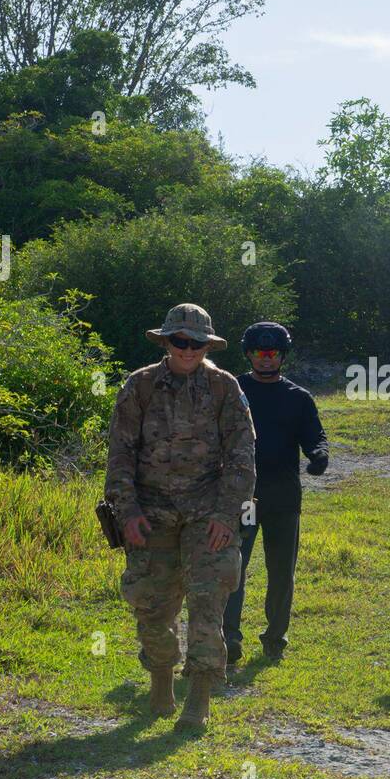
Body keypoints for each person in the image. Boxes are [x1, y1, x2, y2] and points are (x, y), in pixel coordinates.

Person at [104, 303, 255, 731]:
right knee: (151, 604)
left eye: (197, 343)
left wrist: (228, 514)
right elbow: (119, 456)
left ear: (209, 345)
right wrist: (127, 512)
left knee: (208, 601)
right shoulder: (140, 386)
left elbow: (243, 456)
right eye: (180, 342)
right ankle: (160, 681)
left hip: (208, 512)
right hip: (151, 514)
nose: (188, 350)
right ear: (166, 342)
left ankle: (199, 699)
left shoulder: (224, 388)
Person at [222, 321, 328, 665]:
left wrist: (318, 455)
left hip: (283, 497)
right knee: (234, 565)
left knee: (281, 570)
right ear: (248, 354)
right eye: (258, 352)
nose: (265, 359)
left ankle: (275, 638)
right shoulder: (232, 391)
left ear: (282, 356)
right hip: (244, 496)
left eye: (272, 353)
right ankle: (228, 638)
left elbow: (315, 436)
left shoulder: (298, 397)